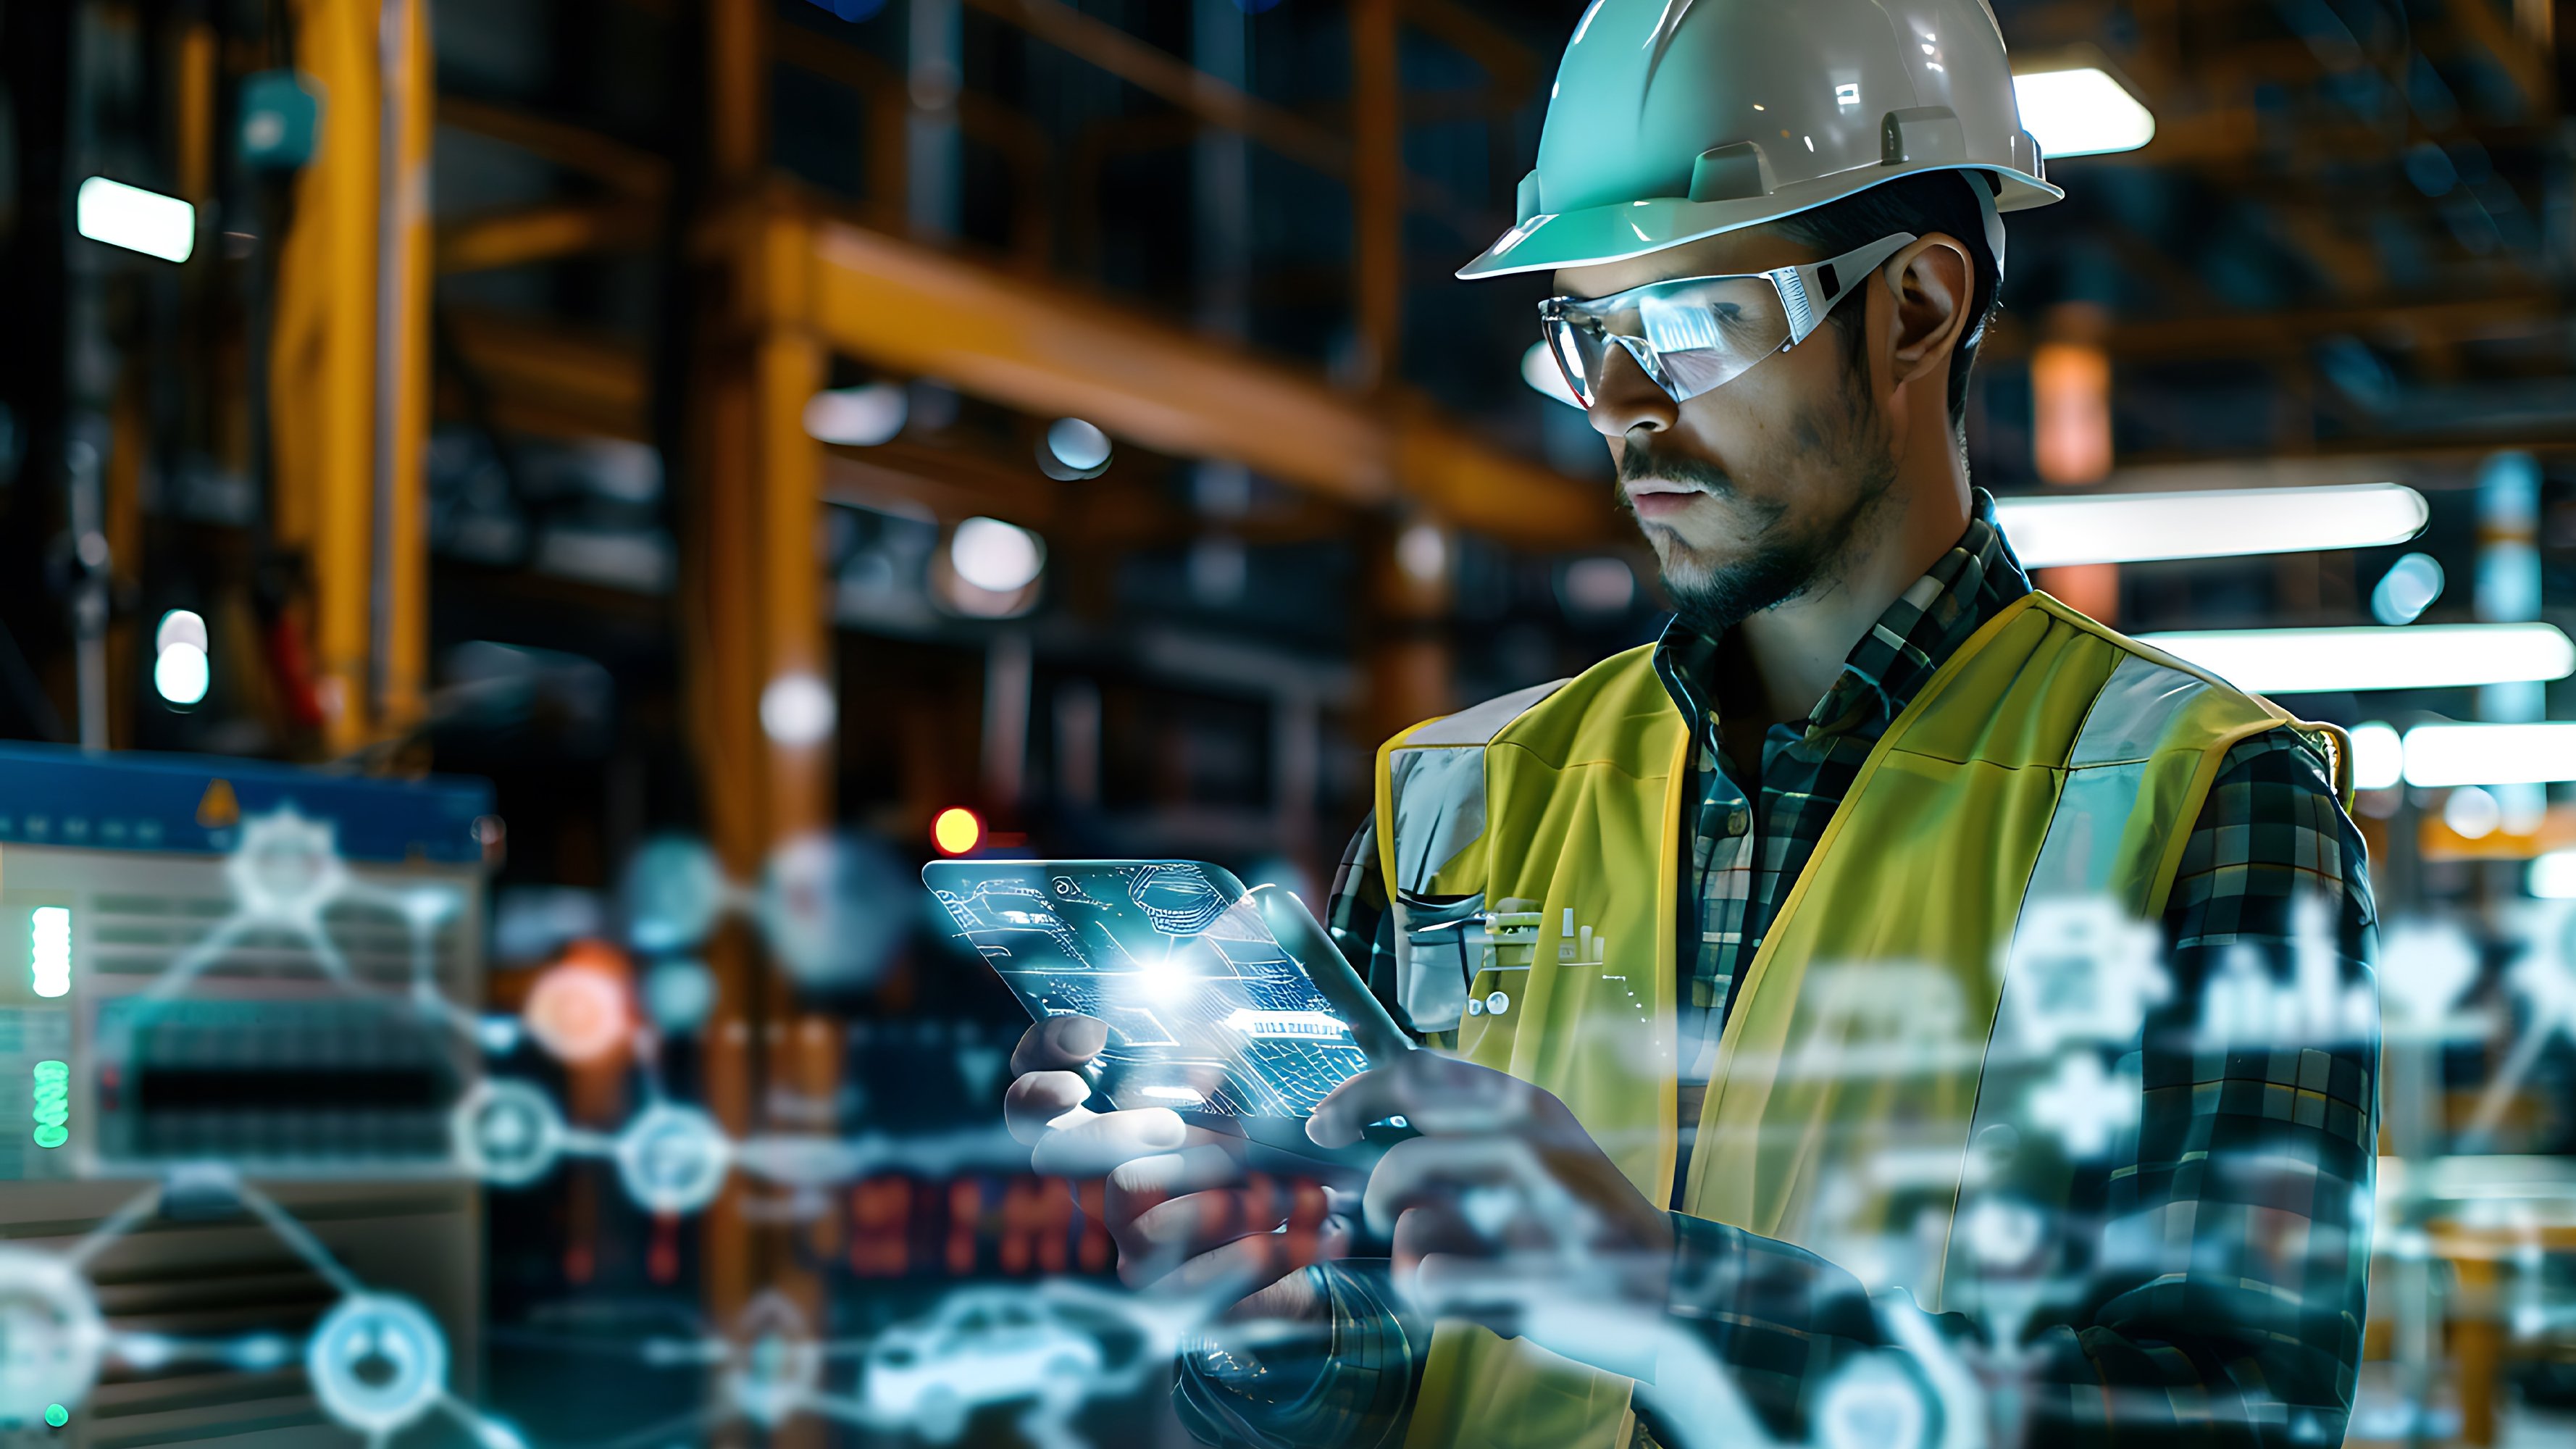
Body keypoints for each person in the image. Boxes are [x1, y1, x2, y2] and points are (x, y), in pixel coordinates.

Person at [1007, 1, 2378, 1445]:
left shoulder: (2204, 800)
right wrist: (1265, 1328)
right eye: (1582, 330)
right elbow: (1391, 1359)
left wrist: (1662, 1299)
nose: (1614, 404)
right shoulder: (1459, 802)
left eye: (1687, 321)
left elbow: (2235, 1414)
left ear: (1916, 306)